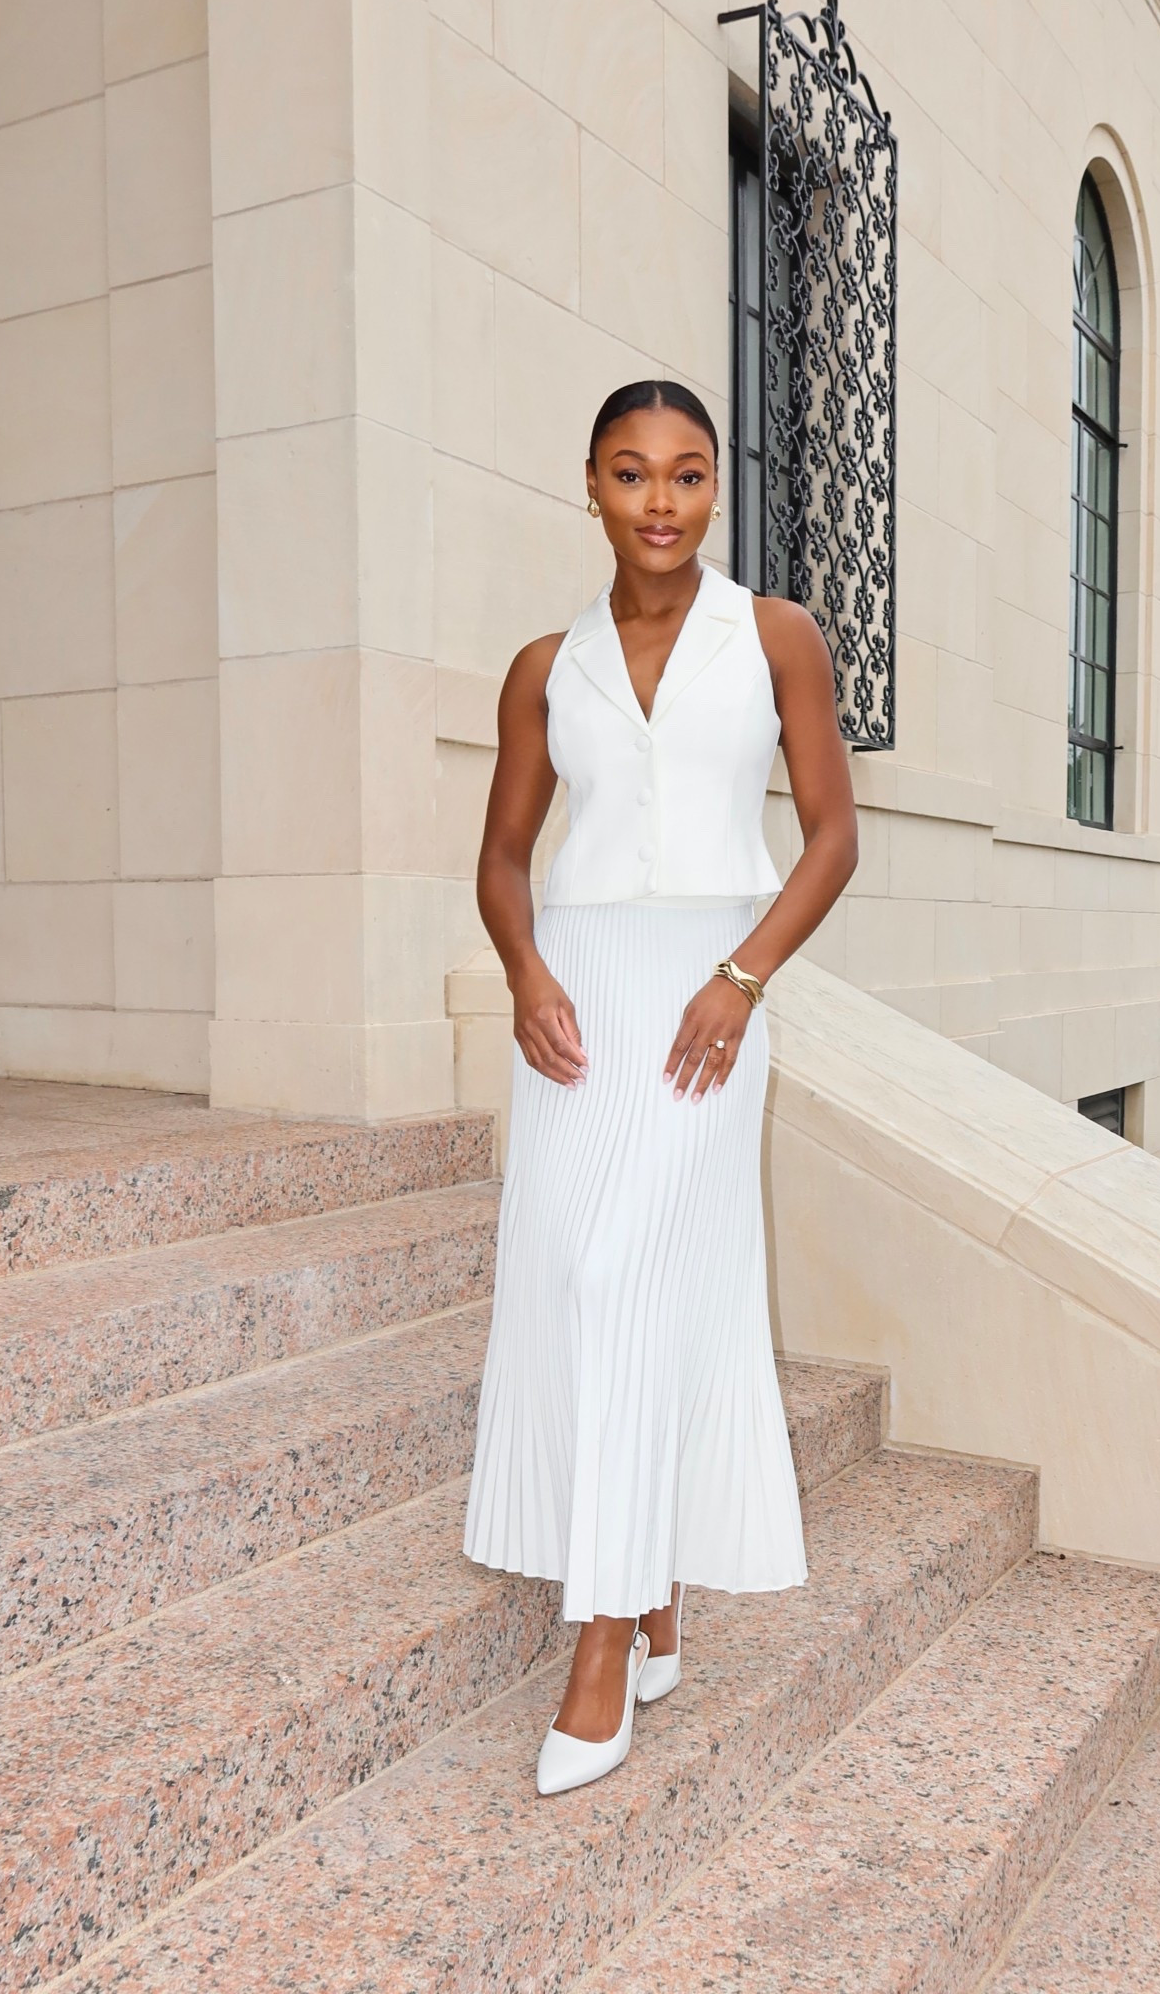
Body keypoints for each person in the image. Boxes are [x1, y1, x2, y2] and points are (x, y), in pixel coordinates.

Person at [462, 378, 858, 1795]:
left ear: (714, 492)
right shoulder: (541, 667)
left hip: (709, 999)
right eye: (633, 475)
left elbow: (829, 838)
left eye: (688, 475)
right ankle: (659, 1593)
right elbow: (505, 854)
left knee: (636, 1275)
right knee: (577, 1279)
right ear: (591, 486)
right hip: (577, 1002)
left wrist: (741, 977)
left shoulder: (775, 639)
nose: (663, 501)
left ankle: (604, 1635)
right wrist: (523, 972)